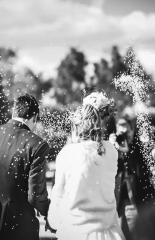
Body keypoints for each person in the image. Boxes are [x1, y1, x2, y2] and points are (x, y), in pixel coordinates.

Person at [0, 93, 51, 240]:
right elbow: (35, 194)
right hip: (18, 224)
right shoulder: (37, 144)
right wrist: (48, 212)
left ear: (13, 112)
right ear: (34, 117)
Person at [47, 93, 125, 240]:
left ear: (77, 127)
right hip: (110, 234)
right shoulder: (111, 152)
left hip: (75, 233)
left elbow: (58, 195)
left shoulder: (67, 153)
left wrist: (53, 221)